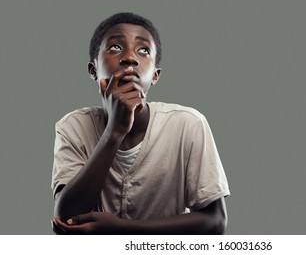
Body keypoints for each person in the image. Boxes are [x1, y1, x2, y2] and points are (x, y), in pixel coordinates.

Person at [51, 12, 230, 234]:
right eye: (115, 47)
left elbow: (216, 222)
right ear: (93, 70)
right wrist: (114, 131)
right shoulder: (73, 126)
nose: (130, 58)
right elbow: (64, 220)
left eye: (143, 50)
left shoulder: (188, 124)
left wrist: (123, 229)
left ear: (155, 75)